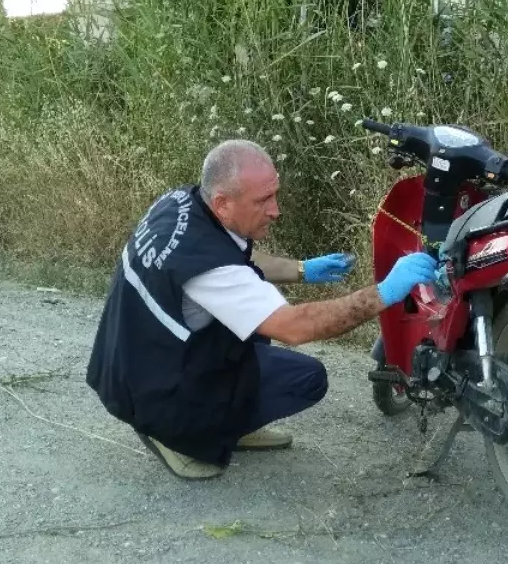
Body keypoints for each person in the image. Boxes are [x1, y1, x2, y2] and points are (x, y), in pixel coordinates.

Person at [86, 139, 437, 480]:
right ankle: (181, 437)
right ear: (223, 202)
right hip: (156, 393)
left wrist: (304, 269)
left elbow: (238, 255)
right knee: (307, 379)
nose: (276, 210)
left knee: (252, 327)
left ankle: (224, 420)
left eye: (275, 194)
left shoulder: (182, 203)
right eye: (264, 200)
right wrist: (384, 293)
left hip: (128, 363)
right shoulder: (212, 272)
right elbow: (293, 327)